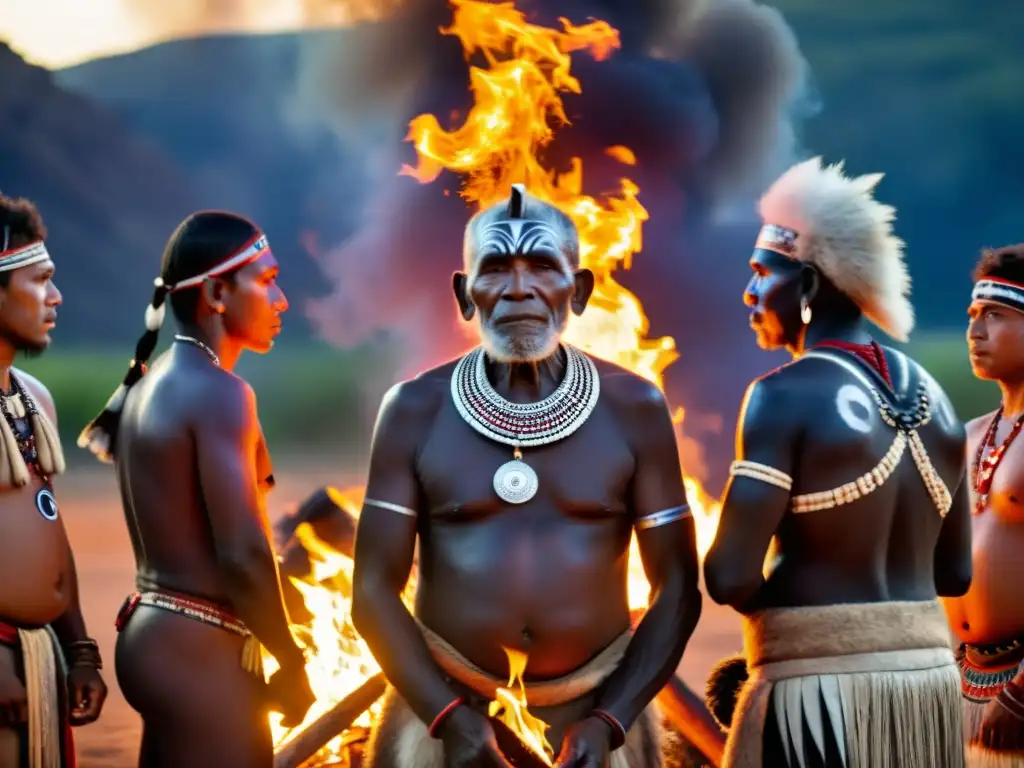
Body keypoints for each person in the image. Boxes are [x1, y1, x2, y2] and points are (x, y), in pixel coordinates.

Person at [351, 184, 702, 768]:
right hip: (446, 715)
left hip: (593, 717)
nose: (519, 288)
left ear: (580, 289)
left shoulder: (634, 407)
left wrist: (611, 720)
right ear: (465, 295)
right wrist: (448, 718)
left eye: (542, 265)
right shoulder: (414, 409)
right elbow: (370, 592)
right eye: (495, 268)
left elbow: (678, 589)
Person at [702, 157, 971, 768]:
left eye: (761, 273)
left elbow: (728, 577)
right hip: (927, 688)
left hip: (821, 694)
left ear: (811, 284)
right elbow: (953, 575)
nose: (749, 292)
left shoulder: (780, 394)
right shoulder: (941, 400)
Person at [77, 211, 314, 767]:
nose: (281, 300)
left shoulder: (152, 383)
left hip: (152, 633)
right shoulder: (221, 393)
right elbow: (244, 552)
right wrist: (291, 659)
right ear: (216, 293)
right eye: (268, 279)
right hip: (197, 648)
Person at [0, 194, 107, 768]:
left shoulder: (32, 398)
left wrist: (80, 649)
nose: (56, 297)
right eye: (40, 280)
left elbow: (47, 525)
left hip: (41, 659)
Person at [942, 244, 1024, 765]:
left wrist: (1021, 694)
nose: (975, 332)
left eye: (995, 316)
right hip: (966, 681)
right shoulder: (969, 436)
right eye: (973, 316)